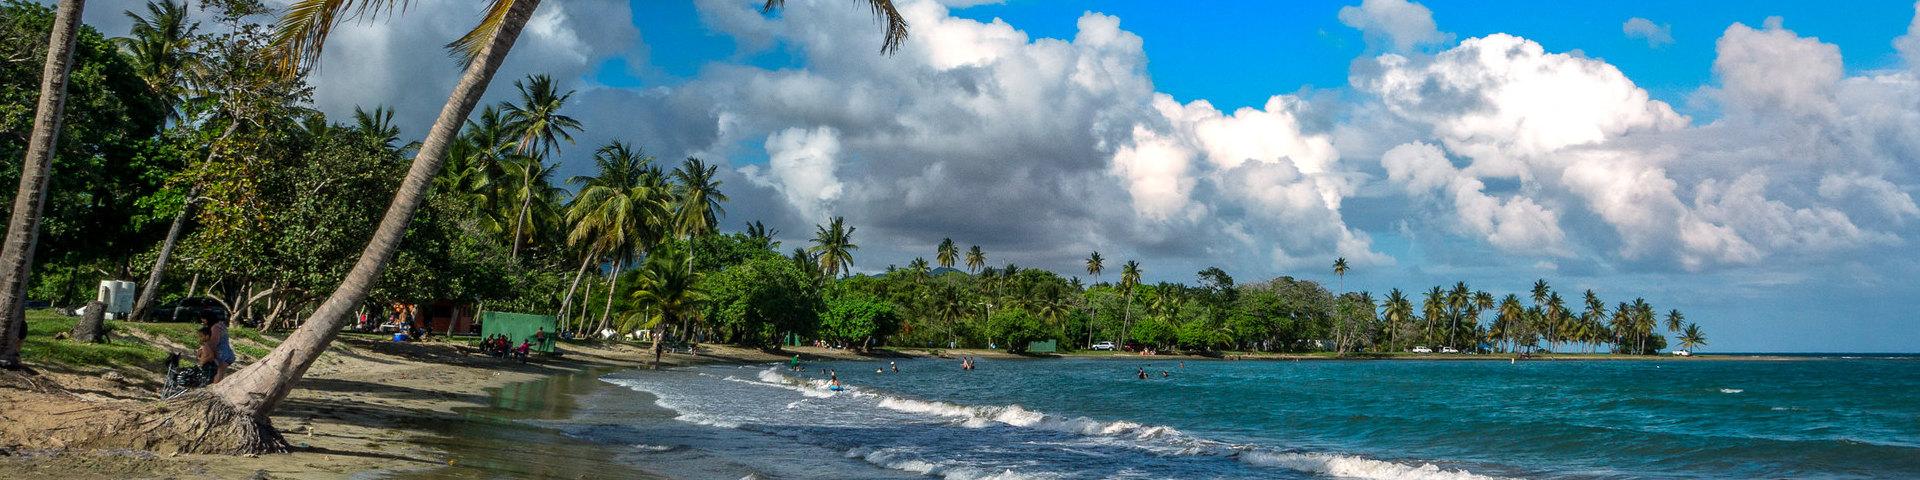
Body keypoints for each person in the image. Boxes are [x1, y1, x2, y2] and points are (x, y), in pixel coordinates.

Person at [204, 316, 235, 383]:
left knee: (218, 374)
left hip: (222, 354)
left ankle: (215, 388)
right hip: (228, 353)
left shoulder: (215, 327)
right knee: (220, 373)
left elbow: (215, 342)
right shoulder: (222, 326)